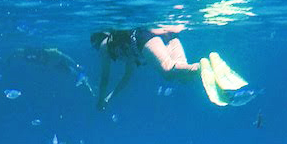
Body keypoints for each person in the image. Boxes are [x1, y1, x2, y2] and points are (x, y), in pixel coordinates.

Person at [89, 25, 248, 110]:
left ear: (98, 39)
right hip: (165, 36)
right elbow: (127, 76)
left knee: (167, 70)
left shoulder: (105, 45)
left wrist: (99, 99)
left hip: (144, 37)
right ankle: (210, 67)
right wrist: (109, 97)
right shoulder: (123, 50)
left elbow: (105, 77)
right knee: (182, 75)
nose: (97, 50)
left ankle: (203, 66)